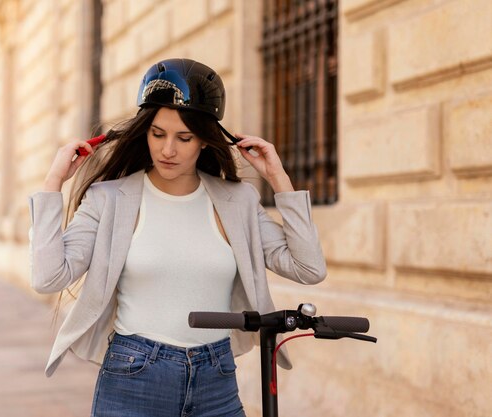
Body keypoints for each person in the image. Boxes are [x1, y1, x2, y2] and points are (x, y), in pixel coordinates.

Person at [28, 58, 327, 417]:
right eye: (158, 134)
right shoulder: (109, 199)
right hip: (134, 375)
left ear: (204, 140)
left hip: (216, 377)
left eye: (183, 138)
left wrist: (278, 178)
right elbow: (48, 277)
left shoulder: (237, 201)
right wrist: (52, 185)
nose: (168, 150)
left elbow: (308, 268)